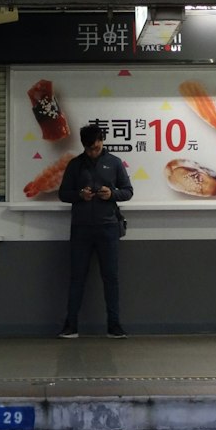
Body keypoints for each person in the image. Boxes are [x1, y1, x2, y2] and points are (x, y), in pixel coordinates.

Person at [57, 122, 132, 338]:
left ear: (102, 141)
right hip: (80, 228)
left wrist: (112, 194)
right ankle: (71, 325)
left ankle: (114, 325)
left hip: (108, 227)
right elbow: (63, 194)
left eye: (97, 148)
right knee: (77, 277)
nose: (93, 152)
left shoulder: (115, 163)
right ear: (83, 145)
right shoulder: (75, 165)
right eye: (89, 149)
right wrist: (80, 195)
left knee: (111, 277)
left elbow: (128, 191)